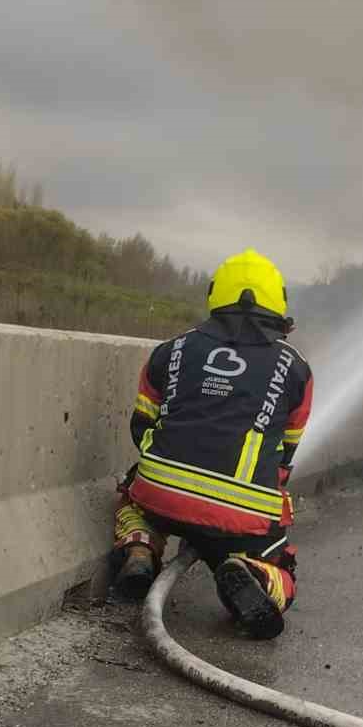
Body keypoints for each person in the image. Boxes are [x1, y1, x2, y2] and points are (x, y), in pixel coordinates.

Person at [111, 248, 313, 639]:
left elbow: (140, 426)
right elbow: (286, 453)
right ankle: (253, 572)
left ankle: (140, 547)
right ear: (279, 302)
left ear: (214, 294)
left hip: (162, 493)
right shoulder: (297, 368)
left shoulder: (171, 350)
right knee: (282, 565)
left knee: (130, 495)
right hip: (242, 515)